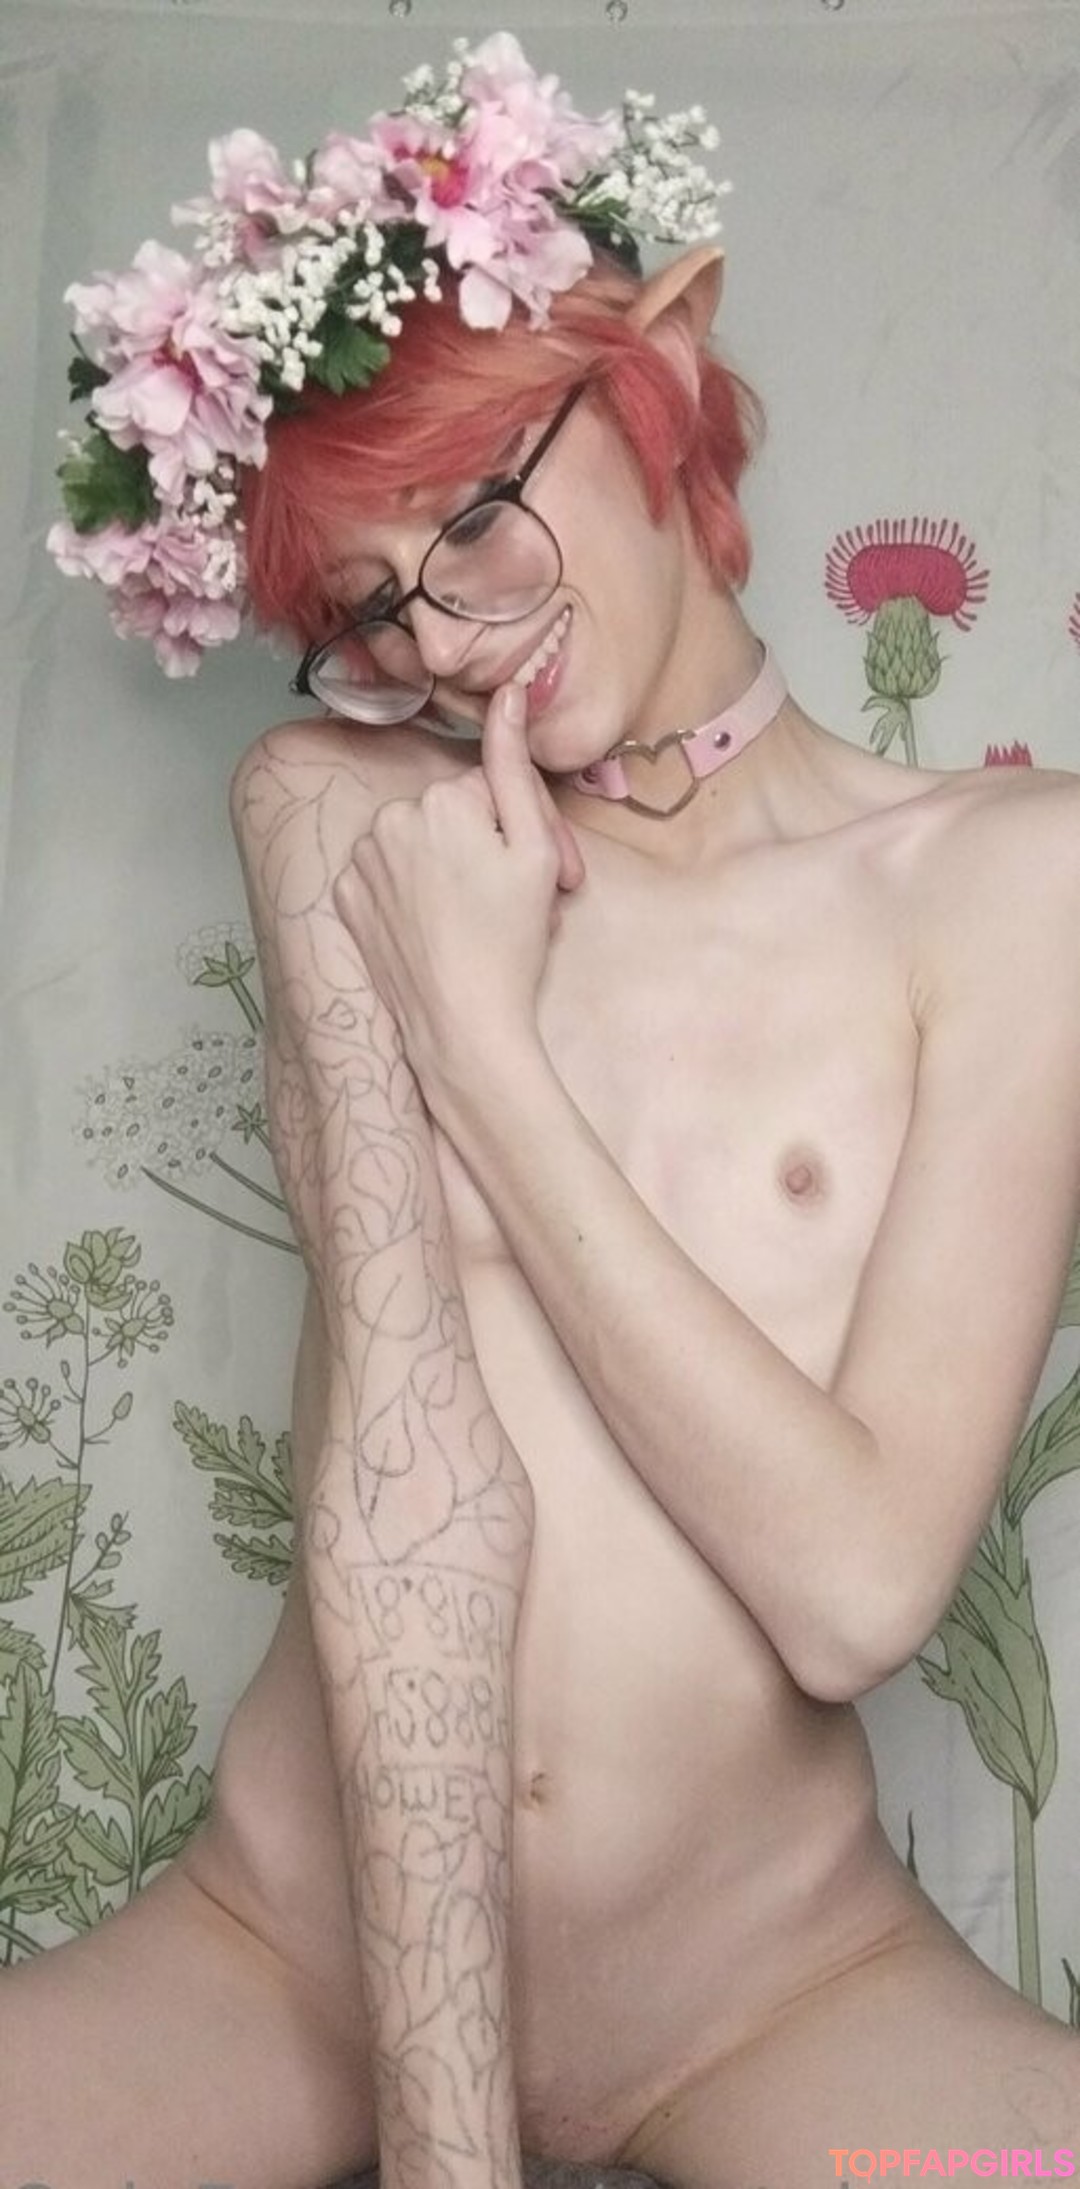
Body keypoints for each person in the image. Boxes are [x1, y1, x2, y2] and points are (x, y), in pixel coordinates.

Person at [10, 33, 1080, 2189]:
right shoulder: (346, 818)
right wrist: (450, 2162)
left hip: (777, 1985)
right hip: (294, 1954)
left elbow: (859, 1590)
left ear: (658, 362)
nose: (454, 637)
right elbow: (404, 1483)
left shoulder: (1017, 883)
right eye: (373, 605)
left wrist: (489, 1056)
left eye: (478, 515)